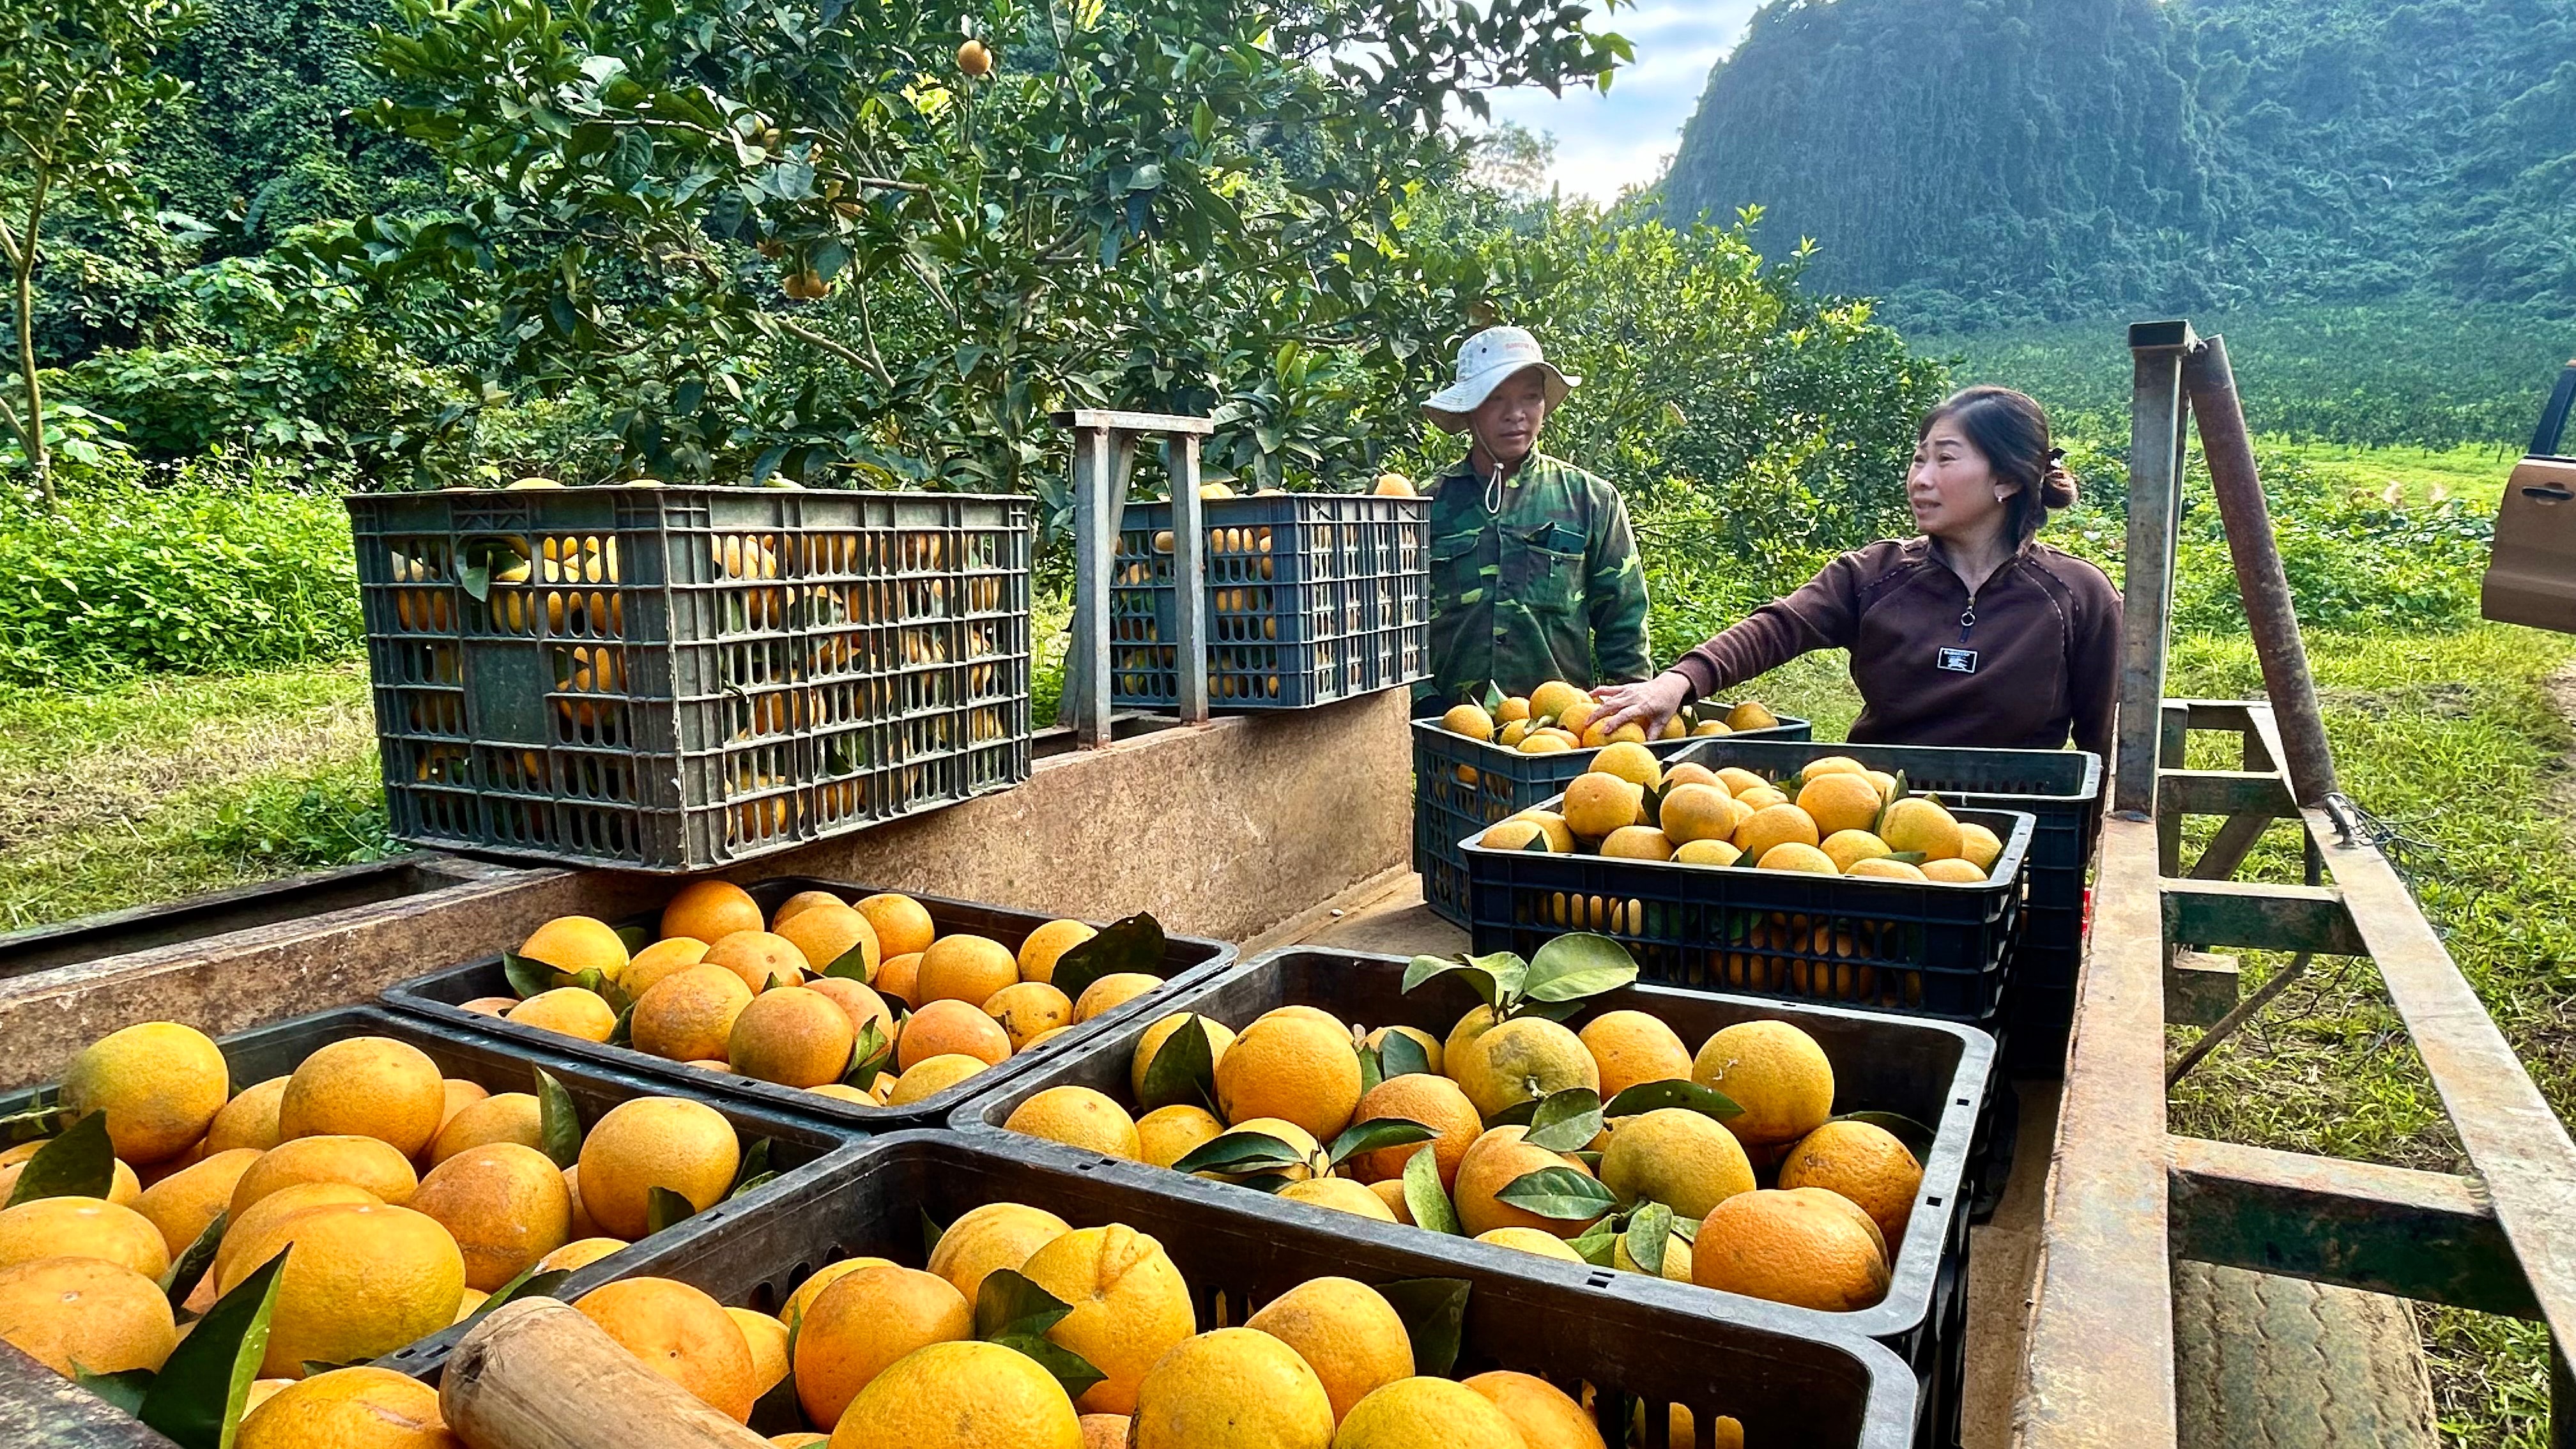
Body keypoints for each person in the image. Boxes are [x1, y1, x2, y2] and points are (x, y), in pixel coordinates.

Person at [1593, 386, 2120, 760]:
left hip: (2015, 826)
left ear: (2006, 478)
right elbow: (1779, 627)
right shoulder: (1876, 575)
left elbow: (2106, 739)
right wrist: (1678, 682)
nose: (1921, 479)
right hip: (1868, 818)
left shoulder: (2077, 596)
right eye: (1918, 460)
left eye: (1945, 460)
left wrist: (2081, 855)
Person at [1415, 326, 1652, 709]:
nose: (1516, 415)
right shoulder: (1424, 506)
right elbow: (1391, 623)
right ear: (1470, 408)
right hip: (1449, 735)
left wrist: (1632, 714)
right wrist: (1422, 703)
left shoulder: (1591, 501)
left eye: (1531, 398)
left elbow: (1623, 624)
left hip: (1559, 738)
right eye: (1496, 399)